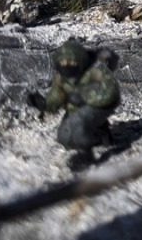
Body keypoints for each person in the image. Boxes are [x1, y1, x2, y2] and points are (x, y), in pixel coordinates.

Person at [36, 38, 121, 166]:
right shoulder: (61, 77)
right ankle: (101, 132)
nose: (66, 65)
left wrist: (85, 98)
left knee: (78, 126)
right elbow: (57, 96)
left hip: (101, 104)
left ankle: (87, 156)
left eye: (70, 61)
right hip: (76, 107)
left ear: (79, 60)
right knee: (64, 136)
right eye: (63, 61)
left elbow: (110, 91)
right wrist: (44, 104)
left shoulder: (94, 70)